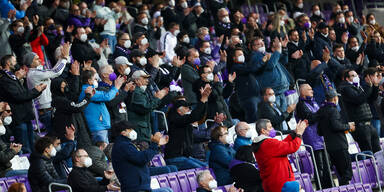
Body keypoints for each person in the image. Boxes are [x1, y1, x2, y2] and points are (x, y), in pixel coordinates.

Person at [0, 55, 46, 153]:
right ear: (8, 63)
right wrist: (36, 91)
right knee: (25, 149)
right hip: (18, 118)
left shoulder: (11, 76)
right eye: (14, 61)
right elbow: (18, 96)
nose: (16, 63)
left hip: (25, 116)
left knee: (33, 148)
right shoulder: (4, 79)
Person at [111, 120, 173, 192]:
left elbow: (142, 159)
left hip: (139, 187)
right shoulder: (123, 146)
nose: (133, 131)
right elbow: (141, 159)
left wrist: (157, 144)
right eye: (130, 129)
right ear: (123, 132)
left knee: (167, 190)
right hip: (135, 189)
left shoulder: (125, 144)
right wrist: (154, 144)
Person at [252, 119, 308, 192]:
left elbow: (282, 145)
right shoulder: (268, 143)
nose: (273, 129)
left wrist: (294, 133)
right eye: (270, 127)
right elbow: (292, 147)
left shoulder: (262, 143)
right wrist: (299, 134)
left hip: (272, 182)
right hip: (281, 183)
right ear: (263, 131)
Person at [164, 84, 211, 170]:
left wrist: (205, 100)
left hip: (185, 157)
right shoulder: (176, 120)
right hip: (175, 158)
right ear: (179, 110)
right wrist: (202, 100)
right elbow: (194, 116)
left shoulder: (183, 119)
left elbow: (199, 116)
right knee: (203, 170)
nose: (189, 110)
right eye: (186, 108)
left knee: (207, 167)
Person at [26, 43, 70, 132]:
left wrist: (61, 58)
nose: (39, 59)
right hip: (47, 111)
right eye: (36, 59)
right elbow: (56, 72)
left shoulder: (35, 72)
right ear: (30, 62)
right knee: (55, 137)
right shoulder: (34, 74)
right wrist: (64, 58)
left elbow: (53, 71)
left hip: (48, 110)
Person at [296, 84, 332, 188]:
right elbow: (310, 118)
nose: (312, 91)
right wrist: (322, 111)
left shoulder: (314, 102)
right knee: (318, 165)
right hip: (312, 139)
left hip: (321, 137)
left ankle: (329, 186)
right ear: (302, 92)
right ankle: (321, 187)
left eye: (312, 88)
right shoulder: (301, 105)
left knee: (327, 165)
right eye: (309, 89)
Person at [316, 89, 354, 185]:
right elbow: (336, 125)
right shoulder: (333, 110)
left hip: (330, 147)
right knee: (347, 173)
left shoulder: (321, 111)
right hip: (340, 145)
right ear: (334, 98)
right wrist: (348, 126)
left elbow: (319, 131)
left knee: (341, 174)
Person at [338, 69, 381, 153]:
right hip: (360, 126)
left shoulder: (359, 87)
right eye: (353, 75)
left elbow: (371, 99)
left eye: (356, 75)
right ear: (347, 78)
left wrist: (375, 86)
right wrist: (369, 86)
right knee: (368, 152)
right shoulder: (345, 89)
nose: (356, 77)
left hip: (369, 124)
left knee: (378, 151)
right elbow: (358, 99)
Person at [79, 70, 124, 143]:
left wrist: (114, 88)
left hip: (100, 127)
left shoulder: (91, 90)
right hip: (98, 127)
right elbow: (107, 97)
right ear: (89, 81)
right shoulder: (87, 90)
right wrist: (116, 87)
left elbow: (105, 94)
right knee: (102, 151)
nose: (97, 80)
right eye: (95, 79)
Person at [127, 70, 168, 149]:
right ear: (137, 80)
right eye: (144, 78)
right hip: (139, 133)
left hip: (144, 131)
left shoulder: (141, 91)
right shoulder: (136, 92)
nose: (147, 80)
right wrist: (157, 98)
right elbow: (145, 108)